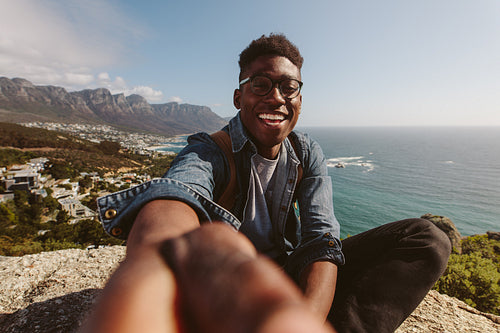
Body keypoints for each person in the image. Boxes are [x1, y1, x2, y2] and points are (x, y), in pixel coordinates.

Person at [81, 33, 451, 333]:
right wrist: (157, 257)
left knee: (428, 238)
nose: (275, 96)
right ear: (239, 97)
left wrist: (305, 319)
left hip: (288, 276)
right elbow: (178, 196)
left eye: (288, 87)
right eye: (261, 84)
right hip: (227, 285)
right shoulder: (210, 150)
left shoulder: (307, 153)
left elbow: (321, 238)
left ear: (300, 101)